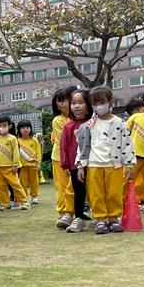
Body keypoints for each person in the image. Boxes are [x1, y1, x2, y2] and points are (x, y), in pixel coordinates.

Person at [75, 86, 135, 234]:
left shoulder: (119, 123)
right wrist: (80, 166)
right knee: (96, 194)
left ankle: (114, 218)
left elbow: (127, 143)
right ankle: (100, 219)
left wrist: (129, 163)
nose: (98, 106)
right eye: (95, 103)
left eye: (102, 102)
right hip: (94, 164)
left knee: (114, 193)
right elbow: (82, 146)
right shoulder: (88, 125)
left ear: (110, 102)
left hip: (114, 165)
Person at [59, 88, 93, 234]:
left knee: (96, 191)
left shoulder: (93, 123)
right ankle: (78, 217)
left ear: (88, 105)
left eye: (81, 102)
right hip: (75, 166)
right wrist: (66, 164)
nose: (77, 106)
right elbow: (64, 146)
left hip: (94, 164)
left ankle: (102, 216)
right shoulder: (68, 126)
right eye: (73, 103)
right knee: (78, 192)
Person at [0, 115, 30, 211]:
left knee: (16, 185)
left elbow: (16, 152)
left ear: (9, 126)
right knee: (1, 186)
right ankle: (5, 203)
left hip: (10, 167)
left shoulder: (12, 138)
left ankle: (24, 202)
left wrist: (15, 164)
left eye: (4, 125)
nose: (2, 128)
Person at [50, 86, 77, 229]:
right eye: (58, 102)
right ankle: (64, 212)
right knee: (62, 187)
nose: (61, 104)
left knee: (74, 186)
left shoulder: (79, 118)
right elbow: (64, 140)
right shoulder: (58, 120)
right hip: (60, 158)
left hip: (77, 158)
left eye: (64, 100)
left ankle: (77, 210)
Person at [17, 120, 41, 204]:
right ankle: (23, 197)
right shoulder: (17, 140)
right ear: (19, 130)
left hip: (33, 165)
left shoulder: (34, 140)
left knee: (34, 182)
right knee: (22, 182)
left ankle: (34, 197)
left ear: (31, 129)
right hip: (21, 165)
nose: (26, 130)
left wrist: (38, 163)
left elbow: (38, 153)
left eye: (27, 127)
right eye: (23, 128)